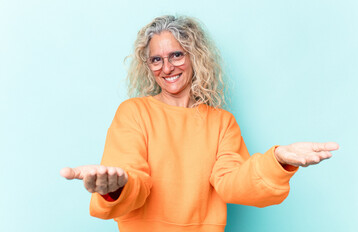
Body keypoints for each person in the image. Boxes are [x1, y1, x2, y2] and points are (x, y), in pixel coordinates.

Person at [60, 15, 339, 232]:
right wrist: (115, 187)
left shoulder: (221, 122)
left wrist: (277, 161)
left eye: (176, 55)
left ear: (195, 57)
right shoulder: (133, 112)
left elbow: (234, 183)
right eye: (156, 60)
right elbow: (136, 180)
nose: (166, 68)